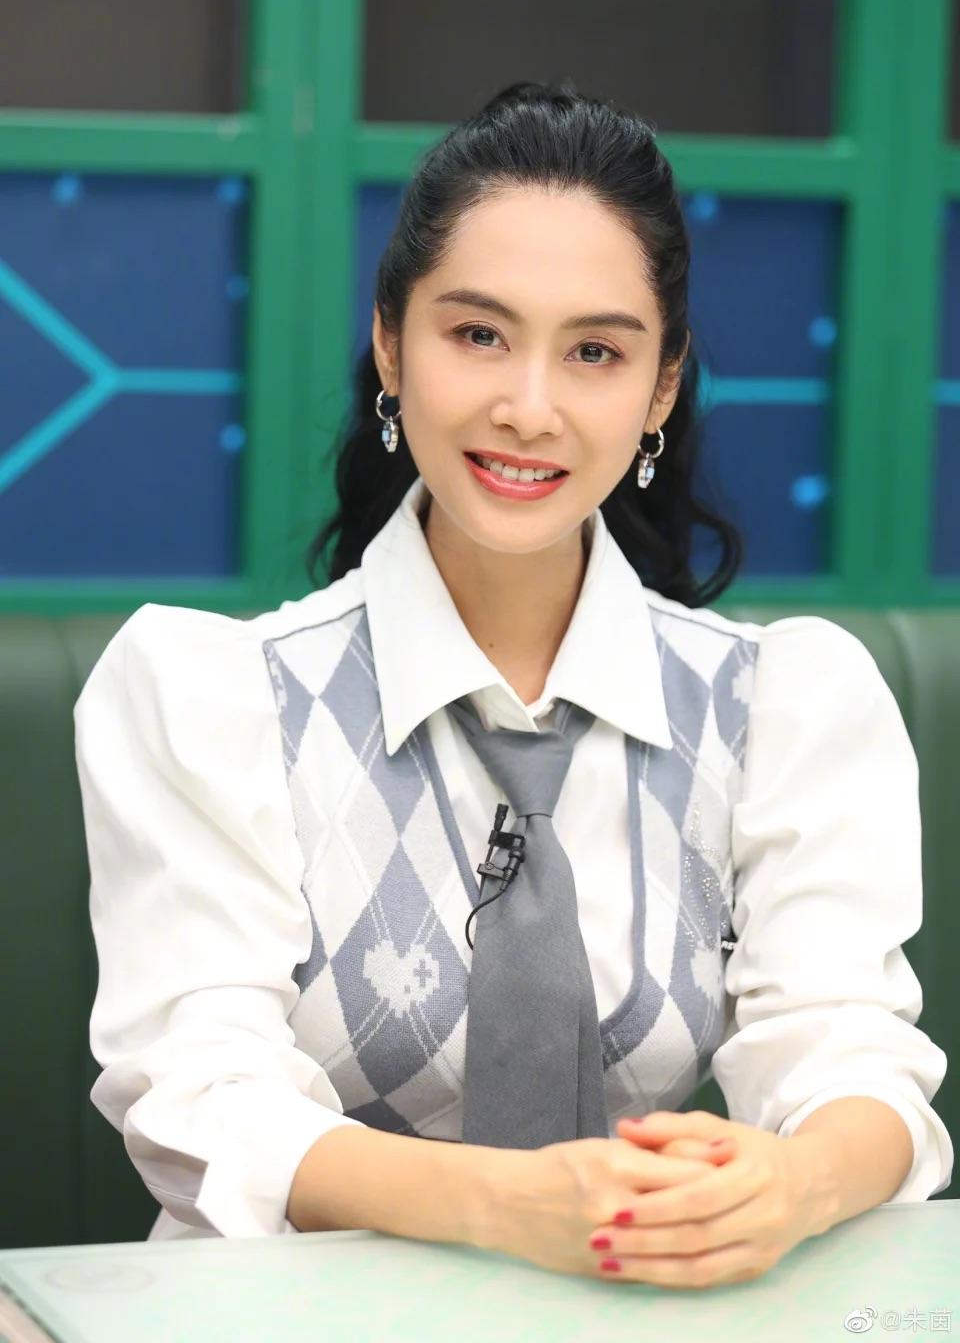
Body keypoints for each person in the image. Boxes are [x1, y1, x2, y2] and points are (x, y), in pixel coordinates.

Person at [75, 80, 952, 1291]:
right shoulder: (208, 698)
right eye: (478, 335)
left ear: (659, 389)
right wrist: (511, 1207)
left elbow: (850, 1054)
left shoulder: (787, 708)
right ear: (392, 345)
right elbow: (198, 1093)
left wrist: (788, 1186)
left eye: (595, 353)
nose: (528, 410)